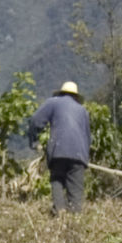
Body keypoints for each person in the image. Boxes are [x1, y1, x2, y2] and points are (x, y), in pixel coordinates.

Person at [24, 79, 93, 214]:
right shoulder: (83, 110)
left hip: (58, 150)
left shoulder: (53, 103)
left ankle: (59, 212)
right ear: (76, 96)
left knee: (57, 180)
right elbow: (87, 137)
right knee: (76, 192)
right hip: (79, 155)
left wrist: (34, 141)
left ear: (61, 93)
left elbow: (35, 121)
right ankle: (74, 220)